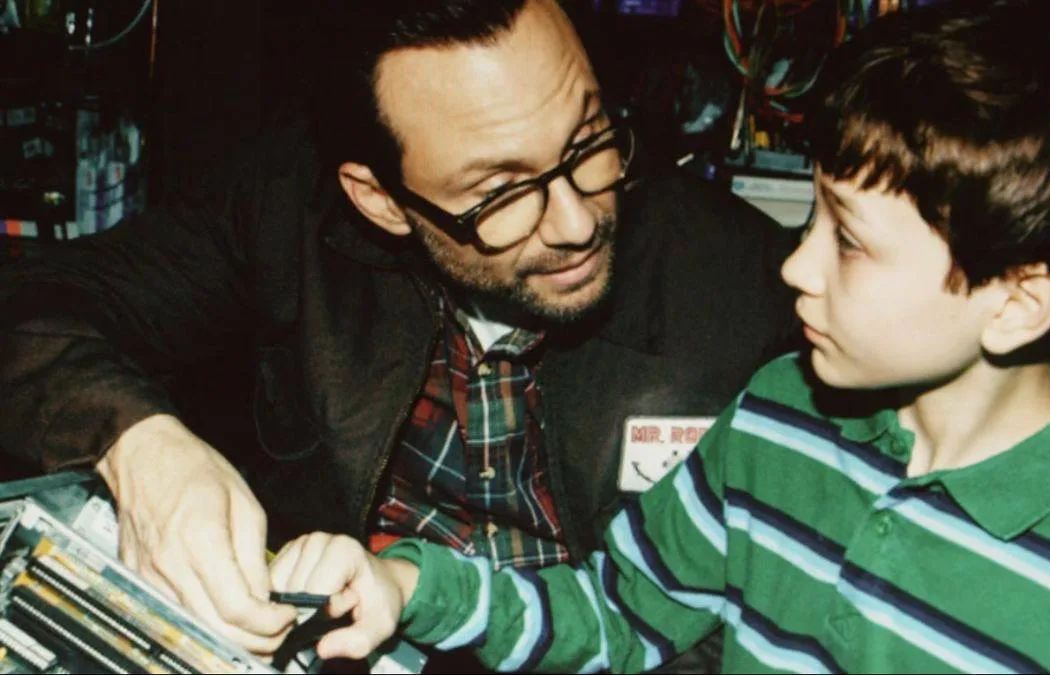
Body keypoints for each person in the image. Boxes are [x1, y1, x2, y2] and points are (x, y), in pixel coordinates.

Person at [266, 0, 1050, 672]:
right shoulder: (775, 418)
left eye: (849, 242)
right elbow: (618, 617)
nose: (796, 266)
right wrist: (410, 587)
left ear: (1017, 302)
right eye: (813, 218)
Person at [0, 0, 800, 667]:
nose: (576, 221)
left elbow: (769, 623)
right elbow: (30, 306)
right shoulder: (287, 206)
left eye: (587, 141)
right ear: (379, 200)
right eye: (499, 192)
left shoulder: (753, 288)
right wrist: (142, 449)